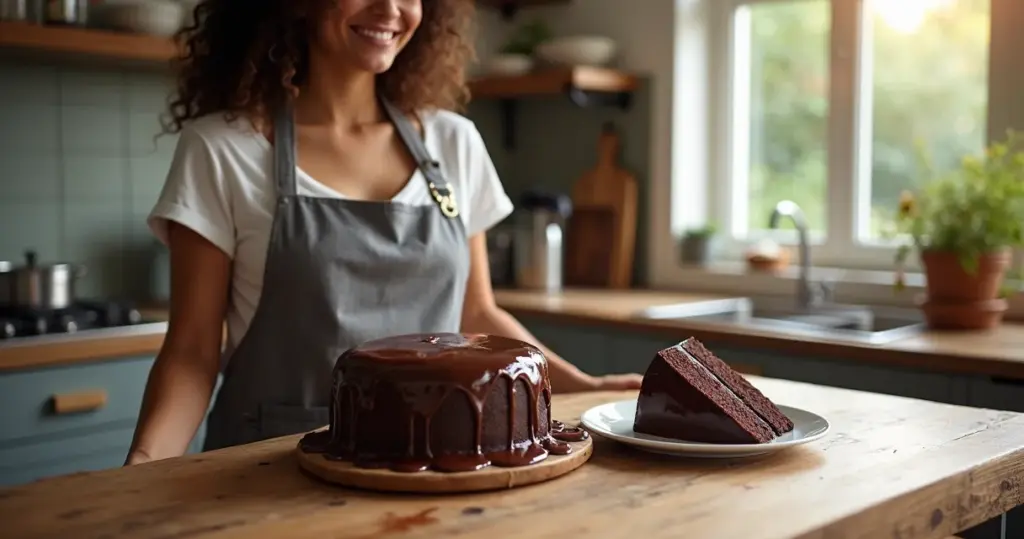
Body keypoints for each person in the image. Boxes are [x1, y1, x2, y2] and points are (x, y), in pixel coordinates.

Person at [125, 0, 642, 465]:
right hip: (265, 471)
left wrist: (584, 385)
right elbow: (192, 352)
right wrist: (143, 466)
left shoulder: (452, 141)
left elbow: (477, 313)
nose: (390, 9)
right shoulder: (222, 149)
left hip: (434, 467)